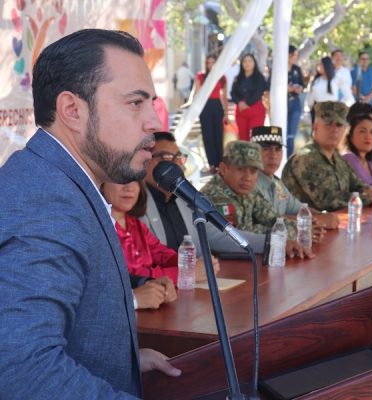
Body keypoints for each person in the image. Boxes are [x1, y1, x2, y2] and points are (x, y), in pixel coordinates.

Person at [0, 29, 180, 398]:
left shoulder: (61, 183)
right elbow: (23, 370)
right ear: (72, 110)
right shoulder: (44, 200)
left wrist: (123, 362)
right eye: (135, 103)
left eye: (152, 103)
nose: (153, 122)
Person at [143, 131, 268, 254]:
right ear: (144, 160)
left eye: (178, 158)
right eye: (166, 158)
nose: (175, 165)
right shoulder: (136, 203)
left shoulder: (186, 199)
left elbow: (218, 236)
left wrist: (270, 243)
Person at [201, 140, 313, 259]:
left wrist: (288, 231)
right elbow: (233, 238)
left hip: (252, 260)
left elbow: (276, 221)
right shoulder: (213, 196)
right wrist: (277, 237)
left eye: (253, 171)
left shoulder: (248, 191)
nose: (247, 177)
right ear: (223, 169)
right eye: (240, 169)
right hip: (223, 266)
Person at [282, 101, 372, 211]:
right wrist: (367, 198)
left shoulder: (338, 159)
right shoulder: (305, 158)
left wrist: (370, 192)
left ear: (344, 130)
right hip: (306, 221)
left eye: (339, 125)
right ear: (315, 127)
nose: (334, 130)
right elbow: (327, 200)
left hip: (336, 220)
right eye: (328, 124)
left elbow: (359, 186)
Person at [250, 125, 339, 231]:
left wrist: (322, 215)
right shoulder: (249, 183)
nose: (273, 155)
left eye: (278, 149)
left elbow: (299, 209)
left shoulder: (277, 184)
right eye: (266, 149)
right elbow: (269, 220)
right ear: (252, 152)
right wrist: (316, 220)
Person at [194, 55, 229, 171]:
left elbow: (224, 96)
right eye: (208, 63)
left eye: (213, 62)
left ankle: (221, 163)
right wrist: (195, 110)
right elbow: (197, 93)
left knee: (219, 135)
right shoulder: (200, 76)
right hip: (205, 106)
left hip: (217, 106)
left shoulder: (222, 77)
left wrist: (226, 113)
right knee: (207, 136)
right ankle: (212, 164)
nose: (210, 65)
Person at [342, 114, 372, 188]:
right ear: (350, 135)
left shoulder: (370, 163)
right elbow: (371, 189)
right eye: (362, 131)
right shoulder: (349, 158)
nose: (368, 136)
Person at [230, 53, 268, 140]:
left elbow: (259, 92)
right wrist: (239, 102)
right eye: (245, 61)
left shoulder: (260, 77)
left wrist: (247, 103)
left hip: (256, 111)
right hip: (241, 112)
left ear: (254, 63)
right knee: (243, 139)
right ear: (242, 64)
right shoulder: (237, 78)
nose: (247, 63)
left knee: (255, 138)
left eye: (250, 61)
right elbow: (233, 93)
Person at [286, 45, 305, 157]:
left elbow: (302, 84)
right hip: (282, 103)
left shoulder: (297, 69)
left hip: (295, 103)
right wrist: (285, 88)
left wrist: (298, 88)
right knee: (282, 130)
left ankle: (289, 156)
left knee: (291, 133)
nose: (295, 57)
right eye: (293, 55)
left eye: (296, 55)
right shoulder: (279, 68)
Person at [307, 56, 339, 123]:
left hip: (331, 111)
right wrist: (310, 105)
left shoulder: (336, 80)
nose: (318, 66)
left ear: (326, 66)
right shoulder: (316, 80)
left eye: (320, 64)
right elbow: (311, 97)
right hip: (318, 111)